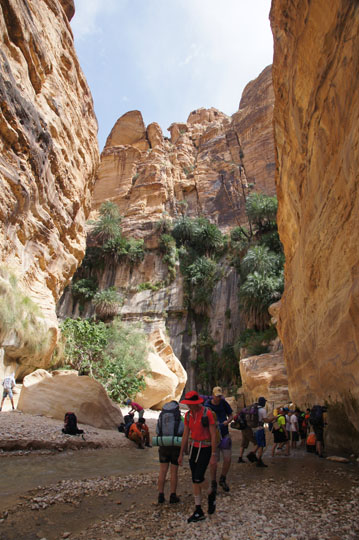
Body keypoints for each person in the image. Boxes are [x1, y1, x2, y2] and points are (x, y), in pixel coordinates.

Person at [178, 391, 217, 523]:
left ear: (196, 403)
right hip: (193, 448)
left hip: (205, 448)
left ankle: (211, 491)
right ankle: (198, 509)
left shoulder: (207, 414)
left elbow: (213, 435)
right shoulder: (188, 416)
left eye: (191, 404)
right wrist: (181, 453)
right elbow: (185, 435)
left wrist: (213, 455)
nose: (189, 406)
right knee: (194, 479)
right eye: (188, 404)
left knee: (198, 477)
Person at [204, 386, 233, 493]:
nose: (218, 398)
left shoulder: (224, 403)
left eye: (220, 396)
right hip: (213, 437)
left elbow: (231, 415)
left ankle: (222, 478)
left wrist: (227, 421)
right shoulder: (207, 406)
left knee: (228, 459)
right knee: (213, 462)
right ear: (213, 395)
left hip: (224, 434)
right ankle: (213, 482)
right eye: (217, 396)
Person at [157, 400, 183, 505]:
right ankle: (173, 495)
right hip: (175, 445)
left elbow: (157, 431)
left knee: (163, 470)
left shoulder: (162, 415)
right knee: (174, 471)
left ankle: (161, 495)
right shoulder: (178, 416)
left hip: (163, 445)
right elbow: (182, 430)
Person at [251, 396, 270, 467]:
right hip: (260, 429)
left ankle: (252, 456)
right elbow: (266, 420)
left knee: (258, 444)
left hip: (254, 429)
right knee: (261, 445)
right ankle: (259, 460)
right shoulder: (262, 410)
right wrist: (274, 418)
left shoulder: (255, 408)